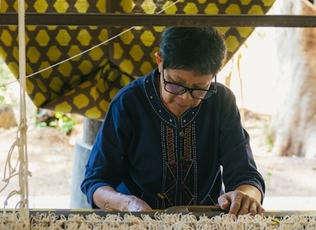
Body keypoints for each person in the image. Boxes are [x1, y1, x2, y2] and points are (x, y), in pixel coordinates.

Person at [81, 26, 265, 216]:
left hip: (205, 226)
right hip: (139, 225)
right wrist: (126, 204)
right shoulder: (129, 102)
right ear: (160, 62)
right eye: (176, 84)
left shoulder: (221, 102)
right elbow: (95, 181)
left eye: (200, 88)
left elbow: (247, 176)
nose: (185, 98)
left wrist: (244, 196)